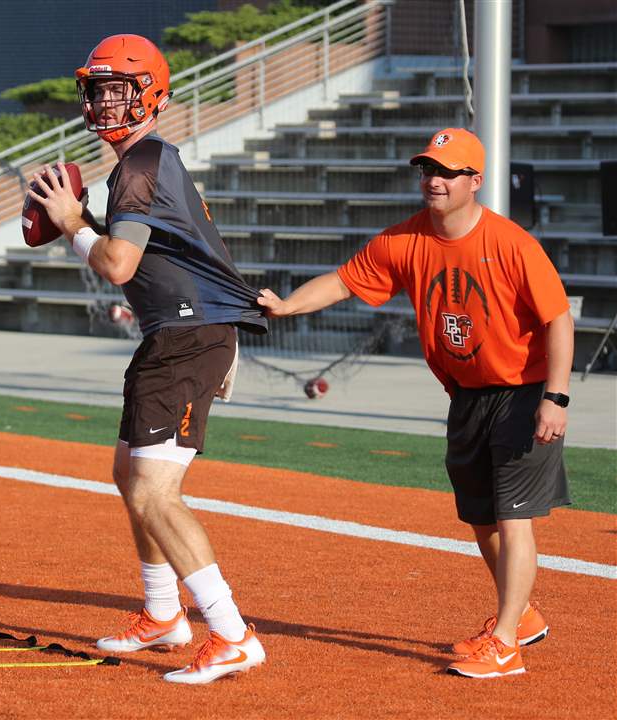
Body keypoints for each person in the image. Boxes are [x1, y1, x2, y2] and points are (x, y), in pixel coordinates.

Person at [256, 128, 572, 679]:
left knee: (512, 517)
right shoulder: (403, 242)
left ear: (475, 181)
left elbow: (558, 319)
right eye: (428, 169)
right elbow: (343, 282)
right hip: (466, 397)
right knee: (482, 521)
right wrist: (287, 307)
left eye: (447, 172)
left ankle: (504, 644)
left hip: (524, 390)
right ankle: (520, 618)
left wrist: (556, 397)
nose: (434, 180)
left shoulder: (512, 243)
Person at [28, 34, 268, 684]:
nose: (105, 101)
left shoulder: (141, 163)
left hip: (193, 335)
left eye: (119, 89)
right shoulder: (139, 163)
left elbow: (117, 265)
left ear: (150, 94)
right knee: (128, 469)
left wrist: (74, 222)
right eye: (98, 88)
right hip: (176, 335)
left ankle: (231, 631)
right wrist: (82, 223)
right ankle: (164, 612)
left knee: (155, 492)